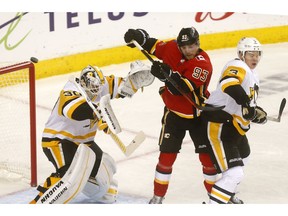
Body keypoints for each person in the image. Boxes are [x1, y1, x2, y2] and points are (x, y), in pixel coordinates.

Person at [30, 60, 152, 204]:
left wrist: (135, 81)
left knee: (106, 166)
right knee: (66, 174)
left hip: (83, 143)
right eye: (92, 86)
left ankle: (101, 192)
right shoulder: (70, 90)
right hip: (58, 141)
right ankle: (37, 203)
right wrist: (98, 114)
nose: (96, 90)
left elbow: (122, 87)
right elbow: (74, 111)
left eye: (98, 86)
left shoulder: (100, 84)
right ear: (84, 82)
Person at [124, 27, 218, 204]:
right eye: (184, 47)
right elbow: (152, 45)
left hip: (198, 116)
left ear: (198, 44)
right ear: (179, 46)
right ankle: (158, 197)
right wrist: (138, 37)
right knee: (166, 157)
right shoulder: (172, 48)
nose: (187, 50)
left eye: (191, 46)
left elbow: (180, 89)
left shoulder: (203, 63)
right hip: (173, 115)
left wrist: (167, 75)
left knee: (207, 160)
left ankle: (216, 198)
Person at [200, 37, 267, 204]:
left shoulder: (253, 73)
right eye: (250, 54)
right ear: (241, 54)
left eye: (257, 54)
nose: (255, 58)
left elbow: (246, 102)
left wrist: (253, 111)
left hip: (234, 127)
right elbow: (228, 84)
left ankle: (226, 196)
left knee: (244, 158)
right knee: (235, 173)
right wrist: (245, 103)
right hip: (219, 125)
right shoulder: (237, 65)